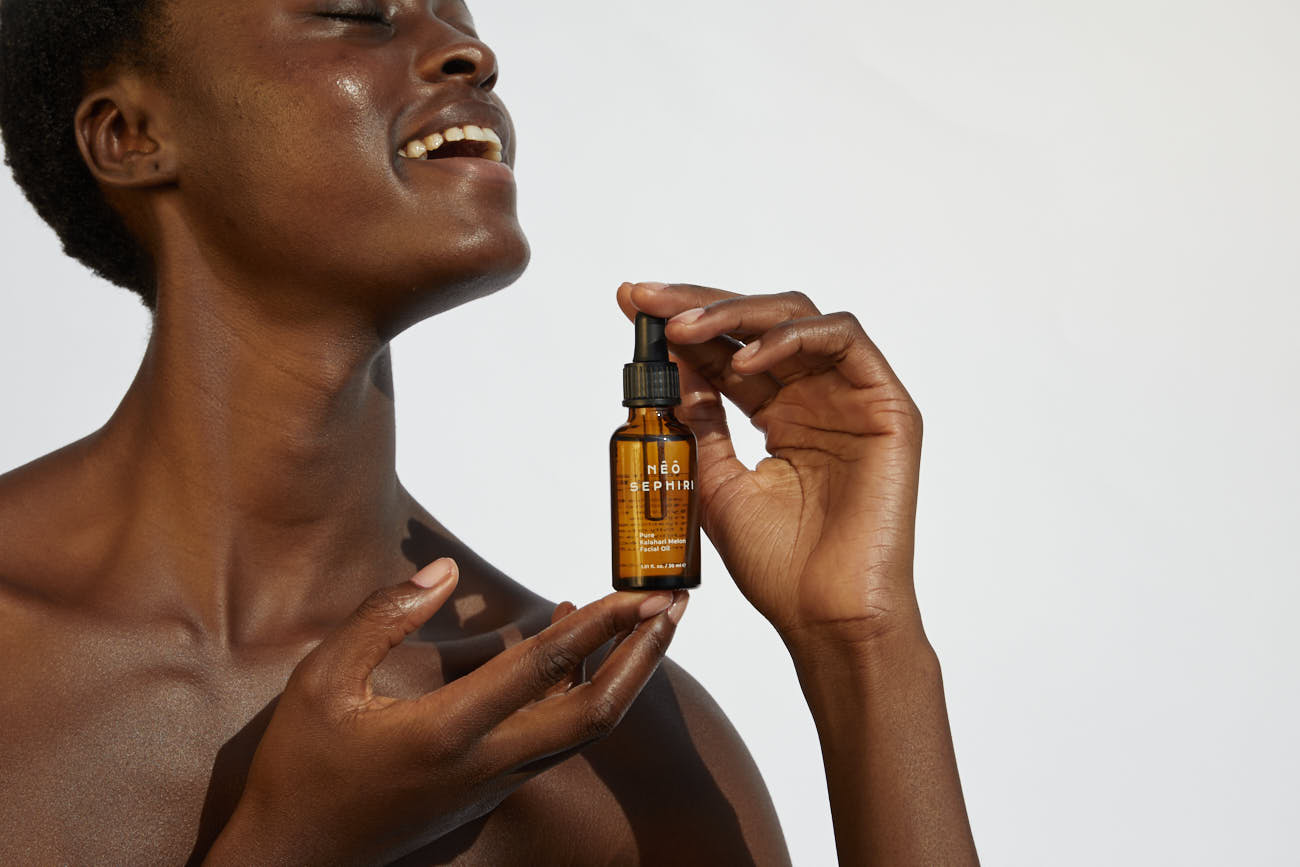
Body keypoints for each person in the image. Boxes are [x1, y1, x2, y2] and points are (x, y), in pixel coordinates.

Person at [0, 0, 978, 863]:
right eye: (355, 10)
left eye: (458, 12)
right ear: (129, 134)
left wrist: (861, 645)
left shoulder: (597, 739)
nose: (470, 55)